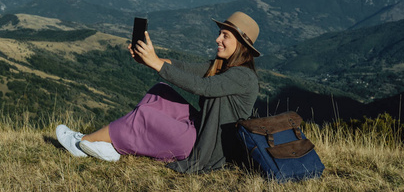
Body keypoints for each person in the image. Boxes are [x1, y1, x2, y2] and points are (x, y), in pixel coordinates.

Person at [56, 11, 261, 173]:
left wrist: (156, 65)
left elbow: (203, 87)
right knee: (160, 90)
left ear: (241, 44)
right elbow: (185, 67)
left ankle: (85, 142)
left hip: (206, 148)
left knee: (146, 116)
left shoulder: (243, 76)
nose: (218, 39)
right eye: (220, 33)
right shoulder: (221, 65)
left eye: (225, 36)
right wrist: (149, 59)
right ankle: (111, 145)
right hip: (201, 130)